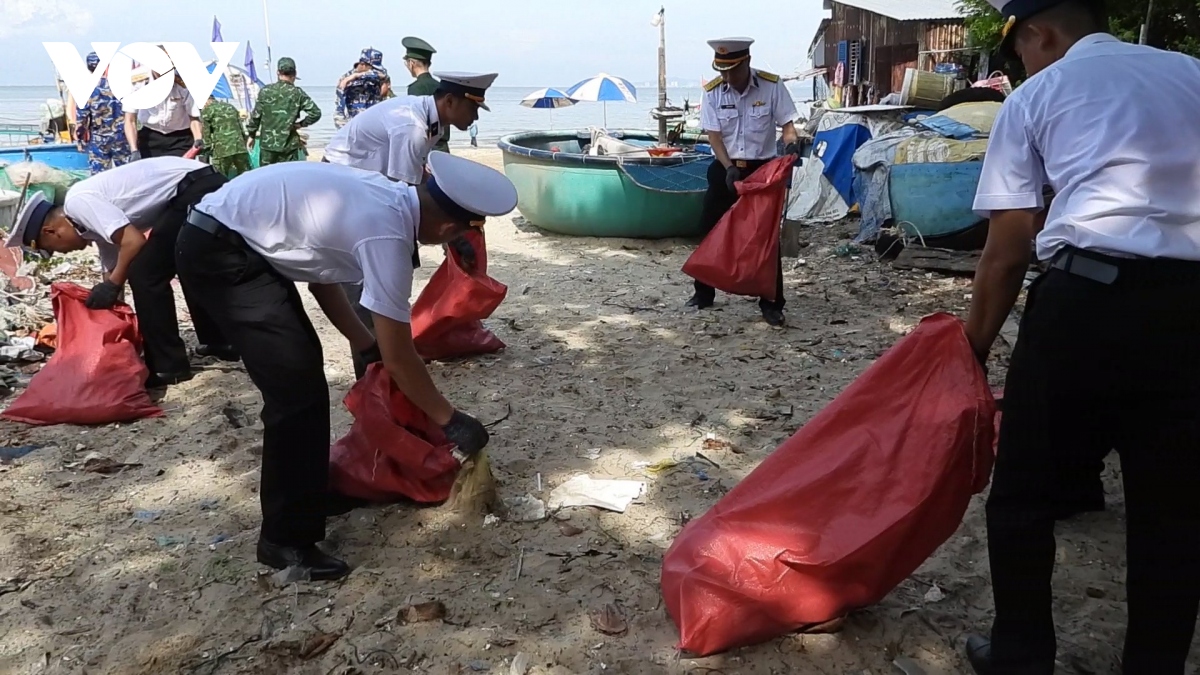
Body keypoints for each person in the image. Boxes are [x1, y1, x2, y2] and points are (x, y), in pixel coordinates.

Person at [962, 1, 1200, 673]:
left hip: (1085, 303)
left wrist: (971, 350)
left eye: (1021, 52)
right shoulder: (1192, 73)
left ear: (1040, 33)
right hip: (1191, 311)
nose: (1022, 66)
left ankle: (1020, 654)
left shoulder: (1038, 95)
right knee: (1174, 510)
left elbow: (1008, 248)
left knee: (1023, 492)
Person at [176, 152, 515, 579]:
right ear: (448, 228)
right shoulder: (387, 234)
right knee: (296, 394)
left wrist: (364, 342)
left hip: (236, 238)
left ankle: (312, 493)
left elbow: (321, 275)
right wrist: (450, 419)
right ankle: (284, 541)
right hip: (221, 253)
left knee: (302, 382)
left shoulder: (389, 196)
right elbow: (400, 355)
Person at [5, 157, 237, 387]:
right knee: (183, 261)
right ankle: (221, 342)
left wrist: (112, 285)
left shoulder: (78, 203)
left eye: (54, 249)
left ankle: (168, 366)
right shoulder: (91, 226)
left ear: (50, 231)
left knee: (145, 274)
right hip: (196, 186)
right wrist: (108, 313)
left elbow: (134, 242)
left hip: (196, 188)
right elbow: (114, 267)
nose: (63, 253)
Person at [323, 72, 497, 377]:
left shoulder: (430, 121)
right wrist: (453, 236)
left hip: (366, 189)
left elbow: (417, 178)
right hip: (343, 193)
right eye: (472, 108)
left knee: (386, 276)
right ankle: (374, 373)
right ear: (450, 101)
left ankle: (386, 365)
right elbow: (402, 194)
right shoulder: (413, 127)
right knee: (366, 287)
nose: (475, 116)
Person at [690, 38, 800, 327]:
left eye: (732, 70)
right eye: (722, 71)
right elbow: (714, 136)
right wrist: (728, 168)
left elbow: (788, 126)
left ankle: (772, 302)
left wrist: (791, 146)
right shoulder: (713, 92)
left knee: (765, 237)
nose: (727, 77)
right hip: (726, 167)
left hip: (761, 172)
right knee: (709, 229)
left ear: (747, 62)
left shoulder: (771, 86)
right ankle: (703, 293)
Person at [246, 57, 322, 167]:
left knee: (267, 175)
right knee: (289, 175)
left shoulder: (266, 91)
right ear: (295, 73)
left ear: (278, 72)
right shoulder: (297, 93)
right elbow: (316, 113)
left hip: (268, 146)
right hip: (289, 146)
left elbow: (256, 116)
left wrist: (251, 135)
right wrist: (300, 124)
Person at [67, 51, 132, 174]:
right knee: (126, 174)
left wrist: (80, 140)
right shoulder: (121, 85)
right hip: (121, 137)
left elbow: (82, 119)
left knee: (98, 177)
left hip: (99, 139)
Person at [124, 70, 202, 160]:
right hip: (150, 138)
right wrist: (134, 150)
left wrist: (198, 140)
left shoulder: (184, 83)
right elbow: (130, 120)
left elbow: (194, 117)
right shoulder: (137, 82)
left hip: (180, 139)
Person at [403, 37, 450, 153]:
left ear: (411, 63)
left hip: (426, 148)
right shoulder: (441, 86)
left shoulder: (415, 88)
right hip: (443, 147)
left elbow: (416, 124)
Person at [333, 48, 390, 129]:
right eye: (372, 68)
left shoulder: (378, 76)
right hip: (355, 124)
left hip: (376, 124)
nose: (375, 70)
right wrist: (343, 129)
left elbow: (383, 76)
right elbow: (339, 109)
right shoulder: (346, 79)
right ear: (363, 65)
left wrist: (356, 75)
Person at [200, 96, 251, 179]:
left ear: (206, 101)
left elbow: (206, 133)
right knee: (245, 176)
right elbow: (241, 128)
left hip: (222, 150)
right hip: (239, 146)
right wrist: (244, 143)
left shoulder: (207, 110)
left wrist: (206, 150)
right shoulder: (231, 107)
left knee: (219, 177)